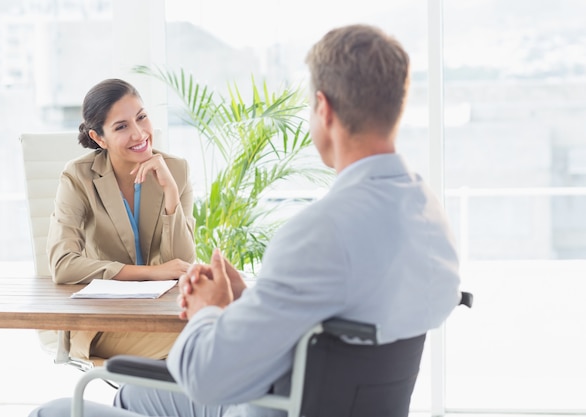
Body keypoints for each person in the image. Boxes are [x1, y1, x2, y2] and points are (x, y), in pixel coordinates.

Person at [29, 23, 462, 417]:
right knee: (133, 397)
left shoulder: (315, 234)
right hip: (298, 396)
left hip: (261, 403)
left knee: (52, 411)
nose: (139, 132)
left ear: (323, 110)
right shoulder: (430, 219)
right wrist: (245, 299)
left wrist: (209, 312)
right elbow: (328, 321)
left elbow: (207, 376)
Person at [46, 78, 196, 361]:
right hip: (102, 322)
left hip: (161, 314)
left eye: (141, 118)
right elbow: (63, 265)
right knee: (203, 339)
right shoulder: (78, 177)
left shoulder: (175, 169)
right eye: (121, 126)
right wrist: (150, 272)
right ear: (99, 138)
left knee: (209, 331)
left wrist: (171, 194)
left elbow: (180, 263)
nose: (139, 134)